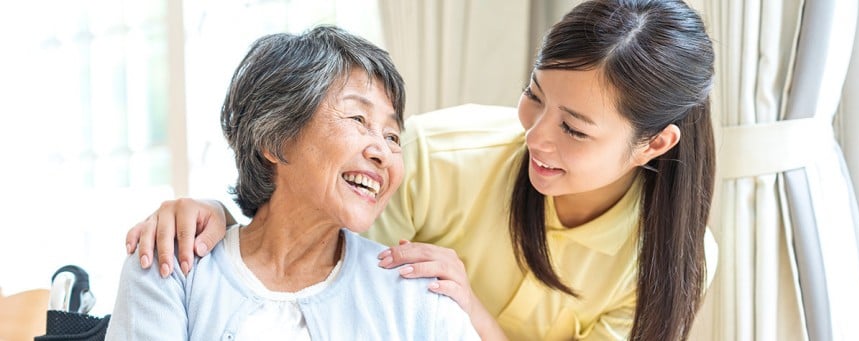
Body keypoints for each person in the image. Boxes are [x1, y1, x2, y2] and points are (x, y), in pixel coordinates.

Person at [126, 0, 718, 339]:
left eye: (575, 128)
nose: (534, 135)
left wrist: (470, 310)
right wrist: (218, 212)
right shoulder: (439, 156)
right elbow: (309, 235)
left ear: (652, 144)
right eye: (534, 96)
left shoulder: (670, 254)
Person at [106, 27, 479, 340]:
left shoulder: (417, 295)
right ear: (276, 139)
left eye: (393, 136)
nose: (383, 151)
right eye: (358, 118)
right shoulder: (170, 262)